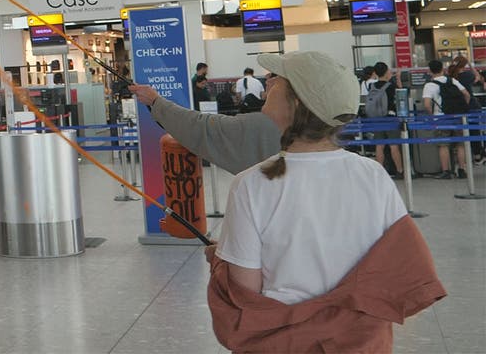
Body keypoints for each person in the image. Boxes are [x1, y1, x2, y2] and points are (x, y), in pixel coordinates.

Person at [207, 51, 445, 352]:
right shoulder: (373, 175)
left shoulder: (251, 184)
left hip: (284, 341)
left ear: (295, 103)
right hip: (361, 342)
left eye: (278, 79)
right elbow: (396, 267)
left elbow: (244, 293)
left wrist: (220, 262)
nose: (270, 82)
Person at [130, 80, 281, 174]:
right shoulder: (287, 129)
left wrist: (156, 101)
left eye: (278, 77)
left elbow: (202, 127)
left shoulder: (264, 126)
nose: (268, 81)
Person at [422, 59, 471, 179]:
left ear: (430, 71)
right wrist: (463, 109)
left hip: (441, 118)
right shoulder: (452, 80)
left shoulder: (429, 85)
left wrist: (432, 116)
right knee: (460, 144)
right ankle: (462, 170)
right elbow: (467, 95)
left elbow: (427, 105)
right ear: (442, 69)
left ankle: (446, 171)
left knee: (443, 145)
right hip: (458, 117)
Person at [363, 61, 404, 178]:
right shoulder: (391, 86)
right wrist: (398, 79)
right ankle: (400, 171)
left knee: (379, 145)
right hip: (390, 118)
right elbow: (401, 94)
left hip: (376, 119)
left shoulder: (372, 86)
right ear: (386, 72)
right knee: (393, 145)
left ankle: (379, 172)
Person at [449, 55, 484, 164]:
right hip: (471, 107)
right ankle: (477, 155)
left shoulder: (451, 76)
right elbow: (478, 77)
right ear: (464, 65)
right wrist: (471, 65)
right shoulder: (467, 75)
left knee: (461, 133)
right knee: (474, 130)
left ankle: (463, 160)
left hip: (457, 107)